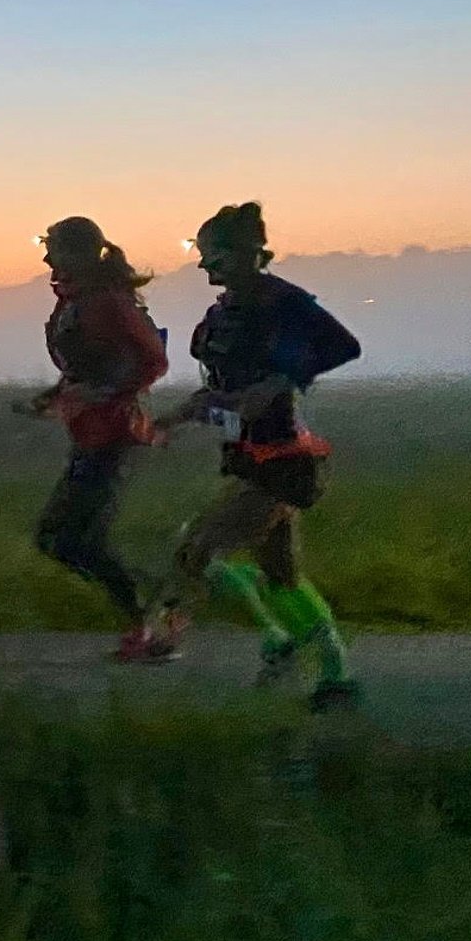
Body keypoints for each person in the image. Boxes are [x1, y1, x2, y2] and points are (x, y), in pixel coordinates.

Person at [145, 202, 363, 709]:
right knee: (280, 576)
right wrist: (168, 423)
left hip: (285, 460)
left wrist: (284, 378)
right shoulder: (223, 312)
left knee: (196, 549)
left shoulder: (284, 302)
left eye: (213, 256)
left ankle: (267, 641)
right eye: (201, 255)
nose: (204, 267)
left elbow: (343, 346)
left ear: (249, 254)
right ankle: (331, 674)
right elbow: (216, 391)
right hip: (251, 456)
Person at [14, 216, 170, 659]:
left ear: (80, 254)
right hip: (90, 432)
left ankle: (147, 617)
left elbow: (151, 361)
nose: (47, 258)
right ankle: (148, 605)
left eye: (55, 249)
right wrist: (56, 395)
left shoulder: (108, 302)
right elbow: (85, 369)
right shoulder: (75, 303)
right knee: (56, 539)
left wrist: (104, 389)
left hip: (116, 432)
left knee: (73, 539)